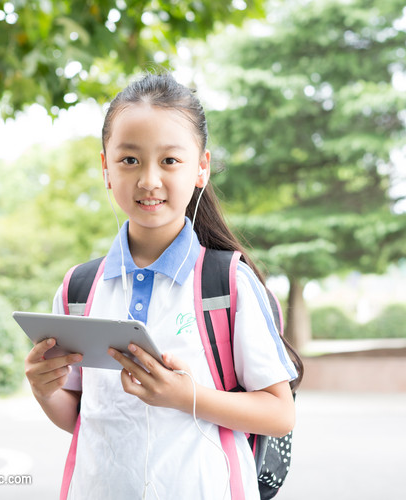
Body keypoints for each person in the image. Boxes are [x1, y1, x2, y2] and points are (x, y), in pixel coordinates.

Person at [24, 73, 301, 499]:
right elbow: (81, 415)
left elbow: (279, 413)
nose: (149, 180)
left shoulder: (227, 284)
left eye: (170, 161)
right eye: (129, 160)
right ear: (106, 169)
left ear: (201, 168)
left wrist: (184, 395)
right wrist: (45, 390)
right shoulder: (80, 287)